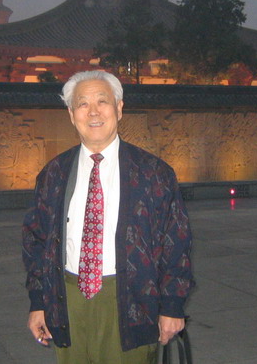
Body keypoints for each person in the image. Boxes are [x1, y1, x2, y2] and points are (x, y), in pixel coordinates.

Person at [22, 70, 194, 364]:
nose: (93, 112)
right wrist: (38, 302)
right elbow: (36, 241)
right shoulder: (54, 173)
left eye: (102, 101)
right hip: (67, 298)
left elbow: (176, 242)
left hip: (133, 299)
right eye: (82, 104)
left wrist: (172, 306)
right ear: (71, 114)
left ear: (119, 108)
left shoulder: (153, 172)